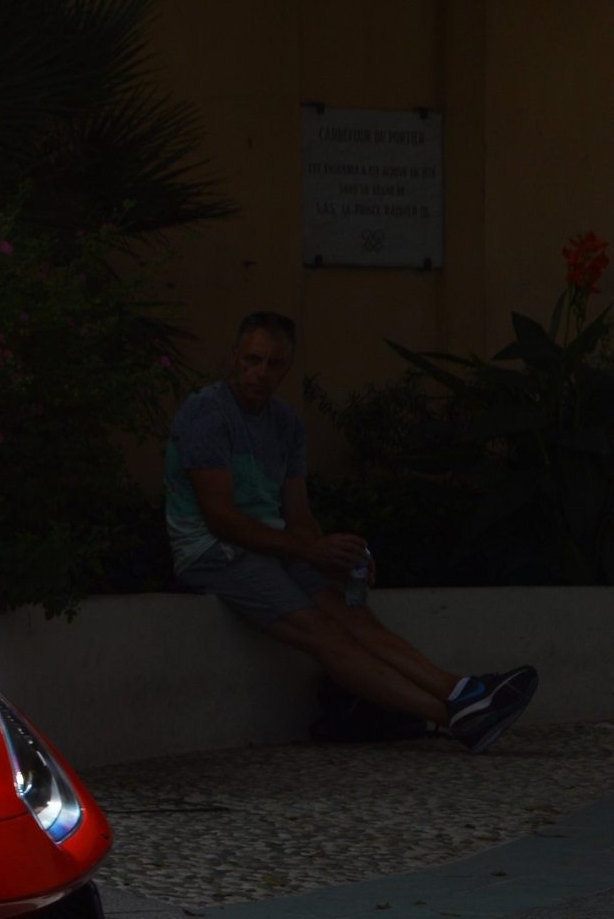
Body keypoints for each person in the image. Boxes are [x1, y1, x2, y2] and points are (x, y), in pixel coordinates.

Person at [164, 311, 537, 752]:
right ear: (234, 358)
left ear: (287, 367)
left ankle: (463, 693)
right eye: (252, 360)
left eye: (274, 364)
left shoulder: (285, 423)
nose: (261, 373)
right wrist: (311, 550)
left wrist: (335, 556)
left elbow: (298, 514)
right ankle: (454, 719)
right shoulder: (207, 412)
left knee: (353, 614)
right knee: (325, 632)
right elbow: (220, 518)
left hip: (275, 545)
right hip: (213, 550)